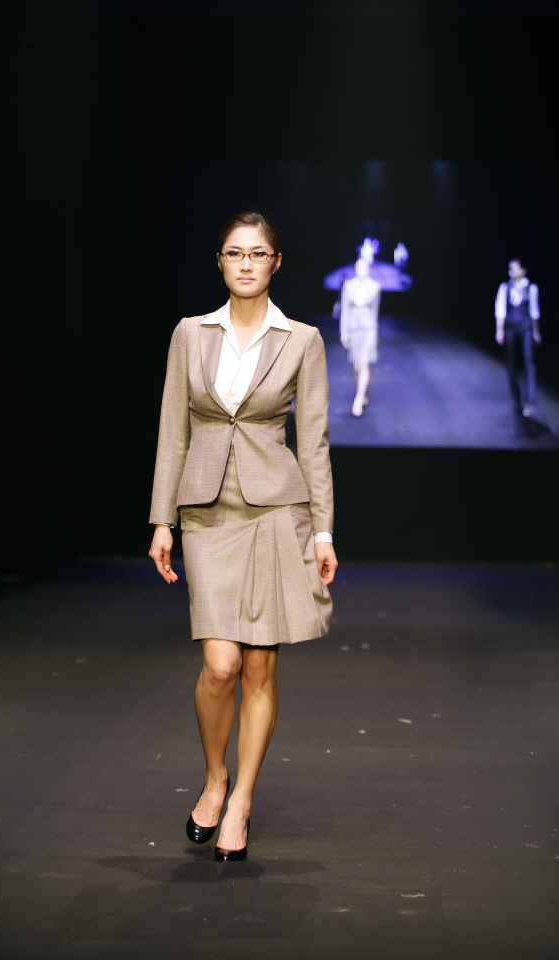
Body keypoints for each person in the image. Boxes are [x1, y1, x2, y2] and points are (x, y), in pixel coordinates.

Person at [148, 211, 337, 862]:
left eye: (258, 253)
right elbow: (172, 429)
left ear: (276, 262)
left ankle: (242, 799)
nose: (247, 263)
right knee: (220, 665)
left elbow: (313, 443)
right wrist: (162, 519)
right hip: (207, 514)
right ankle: (215, 776)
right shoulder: (190, 334)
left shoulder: (302, 340)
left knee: (257, 664)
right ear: (220, 262)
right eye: (235, 253)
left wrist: (323, 532)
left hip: (275, 513)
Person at [495, 258, 541, 417]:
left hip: (525, 327)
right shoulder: (505, 287)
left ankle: (530, 400)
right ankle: (517, 399)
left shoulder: (531, 288)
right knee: (512, 364)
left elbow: (534, 312)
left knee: (528, 362)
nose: (511, 272)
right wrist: (499, 330)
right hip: (511, 328)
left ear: (522, 270)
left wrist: (536, 332)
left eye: (514, 269)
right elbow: (500, 310)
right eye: (510, 269)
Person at [340, 257, 381, 417]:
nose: (361, 271)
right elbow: (345, 310)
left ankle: (358, 399)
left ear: (368, 269)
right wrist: (344, 332)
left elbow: (375, 312)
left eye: (363, 268)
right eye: (358, 268)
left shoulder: (375, 286)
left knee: (364, 364)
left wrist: (374, 334)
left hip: (368, 330)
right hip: (353, 330)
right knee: (357, 366)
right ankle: (363, 393)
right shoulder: (348, 285)